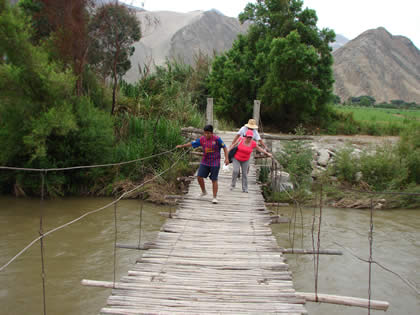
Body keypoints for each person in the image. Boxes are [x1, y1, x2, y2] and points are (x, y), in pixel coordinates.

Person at [176, 124, 229, 204]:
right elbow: (192, 143)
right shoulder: (202, 139)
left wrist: (226, 158)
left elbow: (224, 147)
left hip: (215, 162)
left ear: (212, 133)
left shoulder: (217, 139)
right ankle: (204, 191)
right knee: (199, 176)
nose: (206, 135)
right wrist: (182, 146)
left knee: (214, 180)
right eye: (205, 133)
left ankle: (214, 197)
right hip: (205, 161)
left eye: (208, 133)